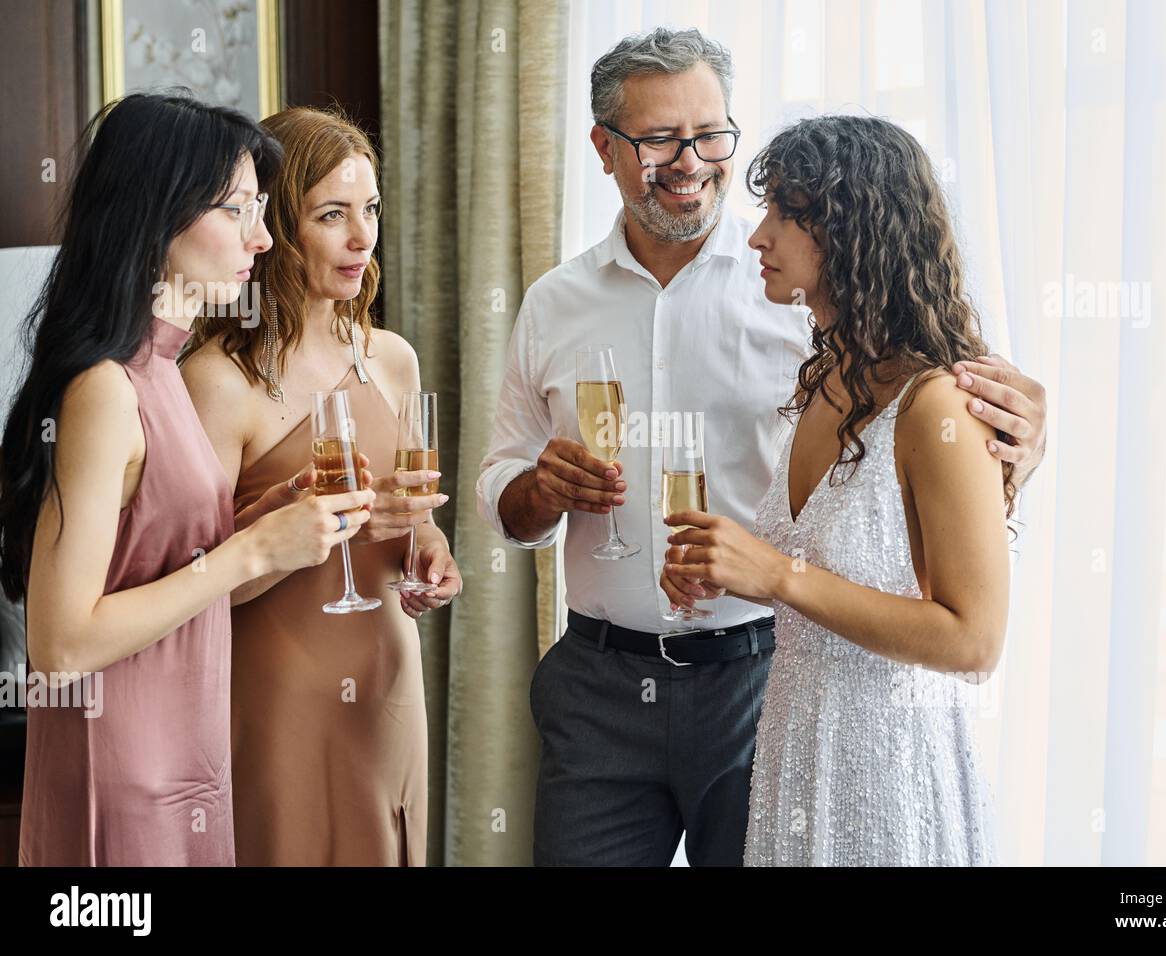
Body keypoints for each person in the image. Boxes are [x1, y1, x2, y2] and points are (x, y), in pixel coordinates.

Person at [479, 28, 1046, 866]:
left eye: (709, 134)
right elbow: (502, 482)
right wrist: (534, 489)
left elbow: (942, 429)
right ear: (604, 147)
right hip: (598, 686)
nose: (690, 160)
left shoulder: (805, 297)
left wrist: (1021, 435)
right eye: (660, 138)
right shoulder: (555, 303)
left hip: (761, 684)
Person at [0, 92, 375, 866]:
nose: (264, 239)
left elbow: (167, 580)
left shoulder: (161, 369)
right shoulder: (107, 388)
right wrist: (251, 552)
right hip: (124, 781)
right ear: (159, 215)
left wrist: (257, 527)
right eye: (239, 211)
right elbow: (60, 647)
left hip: (186, 767)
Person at [663, 114, 1011, 865]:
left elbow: (974, 640)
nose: (759, 236)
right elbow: (837, 578)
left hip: (891, 770)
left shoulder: (939, 404)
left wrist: (778, 574)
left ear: (855, 228)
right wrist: (730, 569)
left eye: (788, 213)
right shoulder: (825, 380)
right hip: (794, 745)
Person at [181, 106, 459, 866]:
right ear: (275, 226)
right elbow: (190, 594)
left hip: (388, 686)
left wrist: (427, 551)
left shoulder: (391, 359)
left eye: (369, 210)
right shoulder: (216, 384)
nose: (362, 237)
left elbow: (402, 522)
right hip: (276, 698)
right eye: (331, 215)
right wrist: (287, 545)